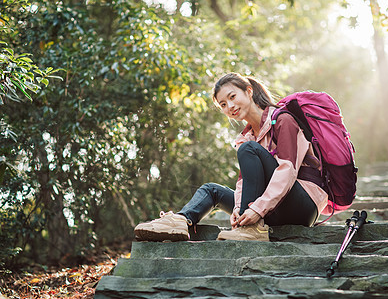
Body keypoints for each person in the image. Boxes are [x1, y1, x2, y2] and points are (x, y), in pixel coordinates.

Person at [134, 73, 328, 242]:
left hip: (303, 206)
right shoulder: (247, 138)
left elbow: (287, 171)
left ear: (249, 91)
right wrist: (238, 210)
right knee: (211, 190)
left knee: (248, 150)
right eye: (223, 104)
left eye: (233, 97)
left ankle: (251, 230)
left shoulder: (283, 120)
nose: (230, 106)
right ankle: (180, 221)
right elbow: (244, 183)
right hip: (272, 210)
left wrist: (257, 209)